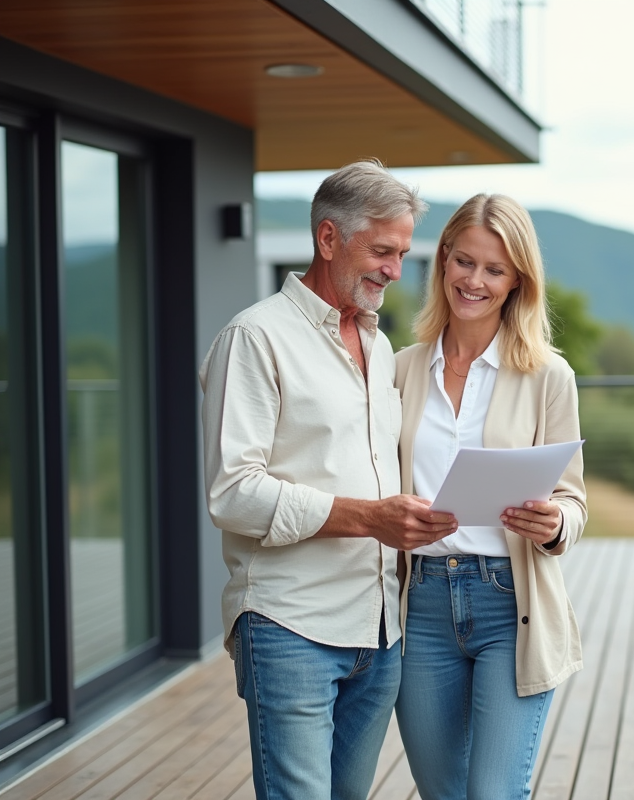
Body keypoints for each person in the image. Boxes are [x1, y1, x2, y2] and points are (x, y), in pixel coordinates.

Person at [199, 159, 458, 800]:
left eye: (401, 253)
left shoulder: (377, 347)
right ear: (328, 238)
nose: (395, 271)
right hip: (291, 627)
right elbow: (232, 493)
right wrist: (370, 518)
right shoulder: (254, 338)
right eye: (382, 250)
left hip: (380, 631)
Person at [393, 194, 586, 800]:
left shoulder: (547, 375)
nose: (474, 281)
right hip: (419, 604)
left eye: (494, 270)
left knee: (495, 793)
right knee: (443, 792)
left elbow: (573, 500)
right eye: (464, 262)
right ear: (443, 261)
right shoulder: (398, 371)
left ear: (515, 283)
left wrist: (554, 523)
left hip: (511, 603)